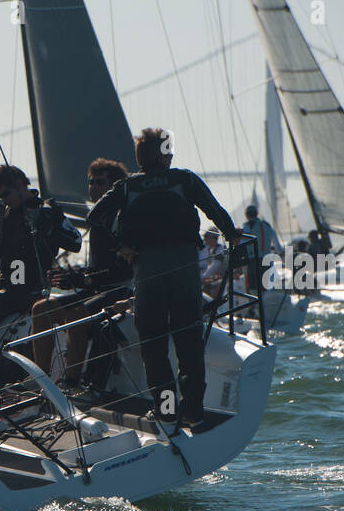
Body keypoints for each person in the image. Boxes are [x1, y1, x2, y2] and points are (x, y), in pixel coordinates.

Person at [87, 128, 240, 427]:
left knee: (154, 347)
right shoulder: (185, 179)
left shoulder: (127, 187)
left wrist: (122, 247)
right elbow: (216, 212)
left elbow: (96, 218)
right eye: (168, 150)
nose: (171, 155)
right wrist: (233, 237)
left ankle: (166, 410)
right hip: (183, 272)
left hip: (148, 273)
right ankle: (193, 410)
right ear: (162, 155)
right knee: (189, 343)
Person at [30, 157, 131, 391]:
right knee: (41, 309)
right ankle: (41, 381)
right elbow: (98, 270)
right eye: (91, 182)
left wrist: (82, 278)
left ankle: (72, 383)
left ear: (114, 187)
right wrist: (73, 276)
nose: (93, 187)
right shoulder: (96, 217)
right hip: (97, 290)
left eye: (100, 183)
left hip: (121, 291)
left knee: (77, 314)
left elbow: (120, 272)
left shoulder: (121, 219)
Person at [0, 164, 82, 329]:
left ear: (19, 184)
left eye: (6, 194)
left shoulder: (47, 210)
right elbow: (1, 254)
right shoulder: (8, 214)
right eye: (1, 197)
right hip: (8, 282)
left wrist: (46, 227)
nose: (4, 200)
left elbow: (75, 242)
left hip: (29, 287)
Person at [241, 204, 282, 294]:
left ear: (247, 215)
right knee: (266, 287)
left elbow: (243, 243)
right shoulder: (267, 225)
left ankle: (256, 307)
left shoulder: (247, 226)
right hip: (267, 261)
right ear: (257, 214)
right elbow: (278, 247)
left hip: (253, 261)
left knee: (254, 289)